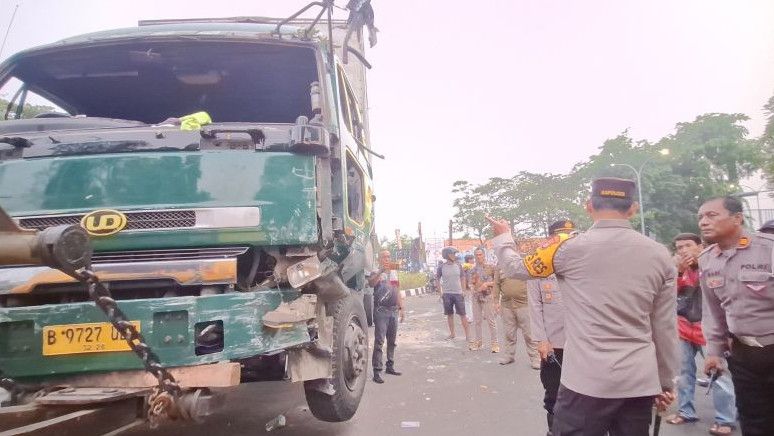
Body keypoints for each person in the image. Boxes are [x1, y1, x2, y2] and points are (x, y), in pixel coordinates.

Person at [488, 177, 678, 436]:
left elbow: (515, 268)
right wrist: (665, 383)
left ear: (589, 206)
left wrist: (504, 237)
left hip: (585, 382)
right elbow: (664, 327)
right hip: (638, 381)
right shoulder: (660, 255)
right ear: (633, 209)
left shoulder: (566, 250)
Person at [697, 196, 774, 436]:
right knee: (753, 421)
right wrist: (714, 352)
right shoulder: (707, 259)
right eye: (700, 217)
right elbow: (713, 312)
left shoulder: (768, 249)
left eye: (711, 215)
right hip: (744, 356)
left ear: (737, 218)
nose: (703, 222)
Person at [667, 232, 737, 435]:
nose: (683, 250)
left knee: (720, 375)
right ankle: (685, 411)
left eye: (687, 245)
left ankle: (726, 419)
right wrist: (679, 273)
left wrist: (697, 266)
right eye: (679, 247)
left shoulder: (711, 264)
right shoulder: (678, 269)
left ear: (700, 246)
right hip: (682, 327)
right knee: (683, 375)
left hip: (708, 329)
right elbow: (669, 295)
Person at [528, 219, 575, 435]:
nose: (567, 240)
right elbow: (535, 305)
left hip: (584, 344)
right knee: (554, 395)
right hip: (554, 345)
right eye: (562, 236)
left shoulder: (583, 263)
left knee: (588, 397)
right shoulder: (540, 267)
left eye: (571, 235)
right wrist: (542, 339)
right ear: (552, 239)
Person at [495, 268, 540, 367]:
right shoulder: (500, 266)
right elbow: (497, 284)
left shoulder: (524, 263)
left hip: (524, 304)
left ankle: (535, 358)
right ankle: (509, 356)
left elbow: (534, 281)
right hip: (506, 305)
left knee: (529, 333)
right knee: (509, 333)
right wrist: (495, 301)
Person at [368, 270, 404, 384]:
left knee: (392, 341)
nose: (387, 259)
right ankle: (377, 371)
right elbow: (371, 283)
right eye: (385, 257)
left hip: (393, 311)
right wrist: (381, 271)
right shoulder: (376, 272)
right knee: (379, 342)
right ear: (381, 259)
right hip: (381, 311)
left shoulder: (393, 273)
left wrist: (402, 308)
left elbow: (397, 290)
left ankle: (390, 366)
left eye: (388, 257)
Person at [437, 247, 471, 341]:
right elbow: (437, 279)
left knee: (463, 314)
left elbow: (463, 278)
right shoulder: (441, 267)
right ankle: (452, 334)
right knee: (449, 314)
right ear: (447, 255)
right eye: (452, 254)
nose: (454, 256)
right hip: (447, 294)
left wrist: (463, 290)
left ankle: (467, 335)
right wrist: (440, 293)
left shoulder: (459, 265)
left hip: (458, 294)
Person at [469, 248, 499, 352]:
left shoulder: (491, 267)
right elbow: (471, 283)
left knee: (491, 321)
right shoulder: (473, 270)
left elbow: (497, 281)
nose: (478, 257)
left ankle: (495, 343)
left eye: (480, 254)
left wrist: (487, 284)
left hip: (487, 296)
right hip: (476, 297)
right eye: (476, 255)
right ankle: (478, 342)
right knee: (477, 321)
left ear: (484, 255)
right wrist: (472, 288)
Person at [462, 254, 475, 323]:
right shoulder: (466, 266)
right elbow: (466, 278)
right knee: (468, 302)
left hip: (470, 286)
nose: (473, 260)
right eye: (472, 259)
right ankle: (470, 317)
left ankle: (470, 317)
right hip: (468, 287)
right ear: (469, 260)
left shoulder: (466, 266)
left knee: (469, 302)